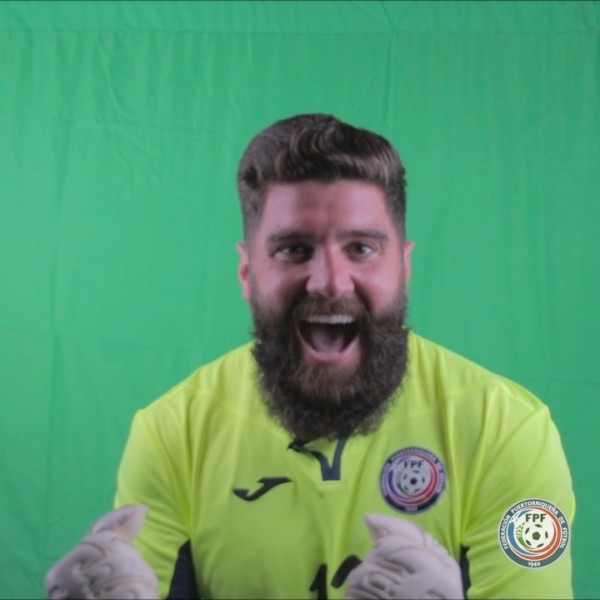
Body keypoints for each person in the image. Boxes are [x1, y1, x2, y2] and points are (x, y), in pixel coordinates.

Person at [45, 114, 575, 600]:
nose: (330, 282)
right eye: (294, 249)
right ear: (247, 272)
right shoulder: (172, 432)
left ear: (404, 266)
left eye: (361, 248)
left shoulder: (507, 430)